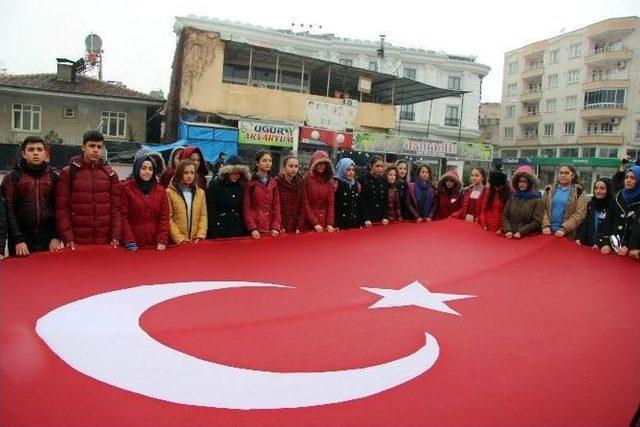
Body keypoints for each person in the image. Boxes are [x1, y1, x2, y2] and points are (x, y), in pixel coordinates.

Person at [56, 130, 121, 249]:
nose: (95, 150)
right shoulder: (68, 173)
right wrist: (68, 237)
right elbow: (62, 209)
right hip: (76, 242)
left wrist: (115, 235)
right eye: (91, 146)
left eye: (99, 147)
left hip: (105, 241)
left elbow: (116, 209)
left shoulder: (111, 175)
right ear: (83, 147)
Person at [1, 135, 63, 256]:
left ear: (45, 153)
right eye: (31, 149)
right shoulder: (12, 178)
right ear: (23, 154)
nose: (36, 153)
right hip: (21, 239)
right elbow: (9, 211)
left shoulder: (55, 177)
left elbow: (62, 208)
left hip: (49, 238)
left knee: (48, 273)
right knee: (21, 274)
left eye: (39, 150)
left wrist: (57, 236)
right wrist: (18, 239)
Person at [120, 155, 170, 251]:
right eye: (143, 168)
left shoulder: (160, 190)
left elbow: (164, 217)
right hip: (133, 245)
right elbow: (123, 217)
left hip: (156, 245)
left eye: (150, 169)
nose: (147, 172)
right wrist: (129, 240)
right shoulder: (126, 189)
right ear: (137, 169)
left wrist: (162, 240)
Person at [206, 155, 250, 239]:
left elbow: (242, 210)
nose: (236, 175)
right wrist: (214, 233)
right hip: (219, 231)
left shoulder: (241, 186)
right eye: (233, 172)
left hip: (237, 231)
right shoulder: (215, 185)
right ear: (226, 171)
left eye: (239, 173)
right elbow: (210, 211)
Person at [601, 165, 640, 256]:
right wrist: (606, 243)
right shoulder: (617, 197)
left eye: (633, 178)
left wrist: (628, 246)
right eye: (626, 177)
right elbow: (608, 220)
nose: (628, 180)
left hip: (632, 251)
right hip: (611, 247)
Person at [540, 164, 587, 239]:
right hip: (547, 232)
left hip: (566, 235)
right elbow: (541, 208)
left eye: (566, 173)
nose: (563, 175)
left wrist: (564, 229)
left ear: (573, 175)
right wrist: (545, 225)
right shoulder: (549, 190)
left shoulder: (579, 193)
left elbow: (579, 215)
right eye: (561, 173)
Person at [166, 159, 207, 244]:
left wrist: (200, 235)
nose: (189, 176)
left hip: (195, 242)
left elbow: (203, 216)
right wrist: (179, 239)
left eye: (192, 173)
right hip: (177, 243)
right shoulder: (169, 192)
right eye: (186, 173)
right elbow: (168, 218)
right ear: (179, 174)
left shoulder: (201, 193)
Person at [244, 150, 281, 239]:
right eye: (264, 161)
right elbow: (246, 208)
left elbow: (276, 206)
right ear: (257, 163)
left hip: (271, 228)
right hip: (256, 228)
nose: (268, 163)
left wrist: (276, 226)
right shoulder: (250, 183)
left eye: (270, 161)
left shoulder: (273, 182)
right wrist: (252, 228)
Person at [501, 165, 543, 239]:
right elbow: (505, 216)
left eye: (524, 182)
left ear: (530, 183)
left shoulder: (537, 200)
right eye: (519, 181)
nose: (521, 184)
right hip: (510, 235)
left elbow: (537, 222)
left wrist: (521, 231)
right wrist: (508, 230)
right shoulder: (512, 198)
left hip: (527, 237)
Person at [303, 150, 335, 232]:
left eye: (324, 164)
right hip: (308, 222)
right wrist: (314, 222)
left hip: (324, 222)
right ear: (314, 164)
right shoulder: (306, 179)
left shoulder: (329, 182)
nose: (321, 166)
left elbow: (330, 204)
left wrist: (329, 223)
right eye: (319, 163)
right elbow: (305, 203)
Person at [575, 178, 613, 249]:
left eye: (602, 188)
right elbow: (585, 223)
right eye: (596, 188)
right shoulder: (590, 204)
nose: (598, 191)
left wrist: (600, 243)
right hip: (588, 245)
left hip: (604, 247)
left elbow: (611, 228)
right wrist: (579, 238)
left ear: (608, 190)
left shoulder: (612, 206)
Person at [275, 155, 305, 234]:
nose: (294, 169)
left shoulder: (301, 182)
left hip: (296, 225)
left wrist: (299, 226)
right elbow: (275, 207)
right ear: (284, 167)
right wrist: (279, 225)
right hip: (280, 225)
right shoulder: (277, 182)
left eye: (296, 166)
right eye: (291, 166)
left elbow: (302, 206)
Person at [359, 155, 389, 227]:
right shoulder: (362, 180)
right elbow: (362, 201)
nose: (380, 169)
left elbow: (385, 201)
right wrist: (366, 218)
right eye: (377, 166)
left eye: (381, 166)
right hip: (366, 220)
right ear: (370, 166)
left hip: (380, 220)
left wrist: (385, 217)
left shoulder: (384, 181)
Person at [334, 157, 363, 230]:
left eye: (353, 170)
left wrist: (360, 222)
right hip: (340, 224)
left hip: (354, 223)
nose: (351, 172)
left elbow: (358, 204)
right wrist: (334, 223)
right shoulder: (335, 183)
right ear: (342, 169)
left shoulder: (356, 184)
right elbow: (333, 206)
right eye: (348, 169)